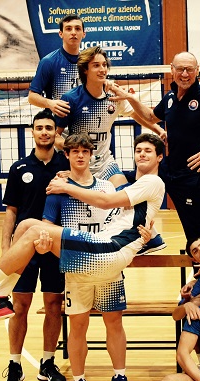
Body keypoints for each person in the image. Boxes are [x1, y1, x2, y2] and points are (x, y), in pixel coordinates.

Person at [0, 132, 164, 329]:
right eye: (138, 150)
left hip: (106, 251)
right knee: (26, 225)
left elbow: (106, 202)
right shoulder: (132, 187)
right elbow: (134, 218)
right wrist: (150, 237)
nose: (142, 154)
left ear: (160, 157)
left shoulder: (150, 182)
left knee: (30, 230)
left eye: (148, 151)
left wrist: (67, 187)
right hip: (98, 246)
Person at [42, 133, 150, 381]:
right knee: (78, 327)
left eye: (85, 151)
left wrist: (146, 233)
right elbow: (46, 227)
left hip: (108, 269)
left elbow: (128, 216)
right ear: (66, 155)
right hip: (77, 270)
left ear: (91, 155)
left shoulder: (106, 188)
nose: (80, 155)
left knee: (114, 323)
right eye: (74, 151)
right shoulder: (57, 189)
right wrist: (43, 243)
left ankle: (119, 378)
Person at [123, 51, 200, 241]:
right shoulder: (170, 97)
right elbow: (150, 117)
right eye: (180, 69)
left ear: (197, 71)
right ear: (172, 70)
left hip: (193, 174)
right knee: (129, 183)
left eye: (189, 69)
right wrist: (130, 98)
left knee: (193, 231)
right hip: (169, 168)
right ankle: (142, 237)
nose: (184, 74)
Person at [53, 45, 166, 255]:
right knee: (87, 211)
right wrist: (72, 147)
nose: (102, 69)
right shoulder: (71, 99)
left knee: (127, 196)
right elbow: (56, 135)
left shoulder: (113, 96)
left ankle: (150, 237)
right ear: (85, 69)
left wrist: (158, 129)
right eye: (96, 65)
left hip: (105, 162)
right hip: (82, 165)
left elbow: (136, 115)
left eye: (104, 65)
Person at [0, 109, 69, 381]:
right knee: (20, 306)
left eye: (49, 127)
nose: (45, 132)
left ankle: (47, 362)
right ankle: (14, 364)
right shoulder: (19, 168)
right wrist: (6, 248)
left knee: (53, 304)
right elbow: (11, 211)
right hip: (24, 248)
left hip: (54, 246)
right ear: (33, 132)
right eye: (40, 128)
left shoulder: (66, 165)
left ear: (55, 132)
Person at [28, 15, 85, 118]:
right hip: (58, 123)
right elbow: (32, 97)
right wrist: (50, 103)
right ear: (61, 34)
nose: (73, 32)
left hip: (83, 122)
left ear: (83, 34)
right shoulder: (48, 61)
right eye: (68, 29)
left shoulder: (88, 62)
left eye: (77, 28)